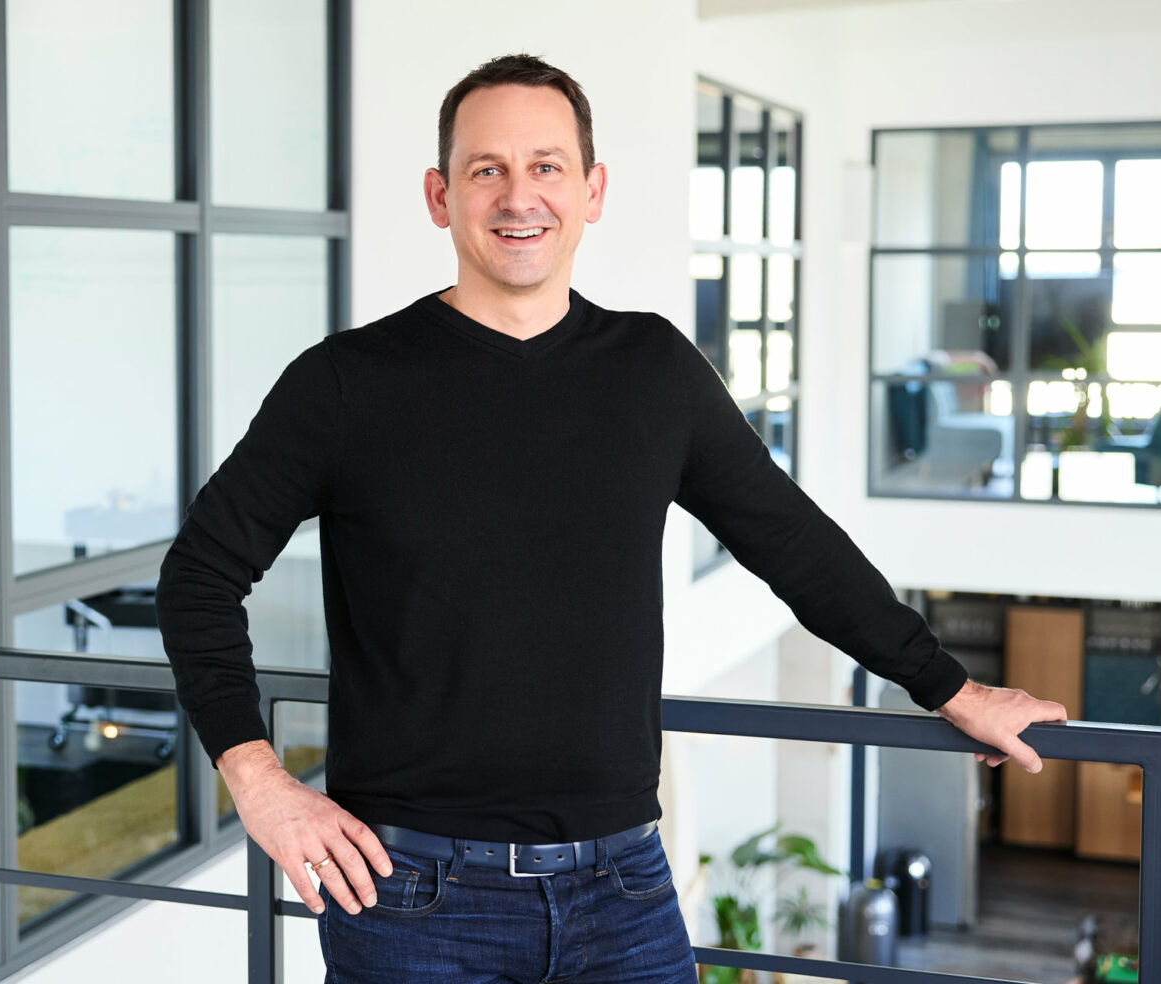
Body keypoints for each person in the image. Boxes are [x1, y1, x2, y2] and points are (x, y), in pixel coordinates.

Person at [155, 52, 1068, 984]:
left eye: (546, 166)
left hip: (623, 891)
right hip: (410, 897)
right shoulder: (346, 384)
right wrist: (258, 782)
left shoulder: (655, 372)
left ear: (592, 191)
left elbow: (794, 546)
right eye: (486, 169)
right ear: (440, 196)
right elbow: (198, 577)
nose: (519, 196)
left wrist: (952, 688)